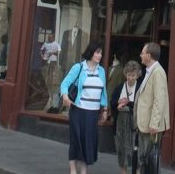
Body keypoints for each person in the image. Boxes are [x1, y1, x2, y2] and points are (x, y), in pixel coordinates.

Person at [60, 41, 108, 174]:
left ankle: (84, 170)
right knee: (76, 140)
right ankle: (73, 169)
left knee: (89, 141)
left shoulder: (101, 71)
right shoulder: (79, 67)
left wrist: (105, 109)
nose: (100, 55)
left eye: (101, 53)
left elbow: (104, 92)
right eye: (97, 52)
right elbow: (65, 83)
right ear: (91, 52)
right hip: (78, 110)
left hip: (93, 113)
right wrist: (65, 97)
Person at [135, 42, 170, 174]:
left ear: (149, 56)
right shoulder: (150, 71)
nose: (141, 55)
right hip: (145, 123)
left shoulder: (158, 72)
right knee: (144, 158)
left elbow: (159, 100)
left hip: (150, 125)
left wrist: (154, 124)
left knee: (148, 159)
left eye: (142, 53)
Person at [110, 60, 143, 174]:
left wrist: (127, 103)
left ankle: (137, 171)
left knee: (136, 149)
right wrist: (117, 104)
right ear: (125, 74)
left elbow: (142, 105)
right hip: (120, 123)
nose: (130, 78)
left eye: (133, 75)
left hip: (134, 123)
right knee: (121, 149)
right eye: (128, 75)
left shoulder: (140, 88)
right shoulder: (119, 88)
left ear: (137, 75)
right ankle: (123, 171)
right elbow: (112, 102)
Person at [40, 30, 61, 111]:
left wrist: (52, 53)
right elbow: (41, 50)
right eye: (49, 37)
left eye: (51, 37)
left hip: (53, 62)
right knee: (46, 77)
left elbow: (59, 52)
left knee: (52, 79)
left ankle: (52, 99)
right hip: (46, 62)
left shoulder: (56, 44)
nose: (50, 38)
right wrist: (42, 56)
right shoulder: (45, 44)